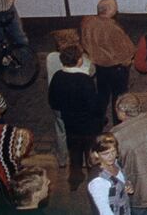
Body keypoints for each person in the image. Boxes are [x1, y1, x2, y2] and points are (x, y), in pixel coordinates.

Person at [48, 44, 101, 190]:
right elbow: (93, 104)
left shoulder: (58, 76)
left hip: (70, 122)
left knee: (74, 151)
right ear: (79, 61)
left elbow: (53, 101)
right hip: (87, 124)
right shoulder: (85, 79)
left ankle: (75, 179)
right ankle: (93, 178)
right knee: (90, 152)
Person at [81, 0, 135, 125]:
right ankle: (118, 123)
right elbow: (127, 50)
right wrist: (127, 61)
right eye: (115, 7)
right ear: (109, 10)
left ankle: (98, 120)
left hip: (100, 66)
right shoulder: (112, 27)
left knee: (102, 94)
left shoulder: (88, 22)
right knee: (119, 96)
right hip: (116, 68)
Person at [88, 133, 133, 215]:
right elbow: (104, 211)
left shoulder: (116, 164)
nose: (111, 156)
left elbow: (121, 181)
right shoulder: (98, 181)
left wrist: (127, 185)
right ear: (96, 154)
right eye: (105, 154)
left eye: (113, 151)